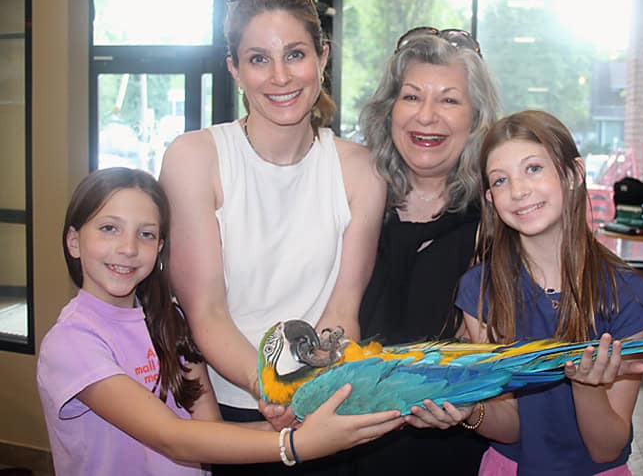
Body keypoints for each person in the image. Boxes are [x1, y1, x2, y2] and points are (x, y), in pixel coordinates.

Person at [158, 0, 386, 474]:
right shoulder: (195, 157)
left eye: (295, 54)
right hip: (230, 410)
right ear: (234, 69)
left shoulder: (360, 169)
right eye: (259, 58)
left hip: (322, 402)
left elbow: (343, 306)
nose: (280, 77)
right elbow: (207, 312)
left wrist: (308, 390)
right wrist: (272, 387)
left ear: (322, 58)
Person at [36, 168, 403, 476]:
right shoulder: (72, 342)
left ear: (160, 246)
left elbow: (206, 432)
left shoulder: (170, 321)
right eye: (109, 229)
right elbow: (172, 437)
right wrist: (295, 445)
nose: (128, 248)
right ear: (73, 240)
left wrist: (286, 426)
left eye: (146, 234)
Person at [407, 110, 643, 475]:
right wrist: (470, 411)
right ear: (491, 198)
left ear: (573, 173)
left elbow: (607, 449)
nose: (519, 190)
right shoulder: (480, 291)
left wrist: (587, 389)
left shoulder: (628, 297)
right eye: (500, 180)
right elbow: (512, 424)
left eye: (533, 169)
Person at [354, 28, 501, 475]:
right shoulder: (355, 204)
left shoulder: (496, 221)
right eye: (413, 97)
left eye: (450, 100)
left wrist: (471, 411)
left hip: (450, 456)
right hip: (344, 450)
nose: (427, 116)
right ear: (389, 111)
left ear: (476, 119)